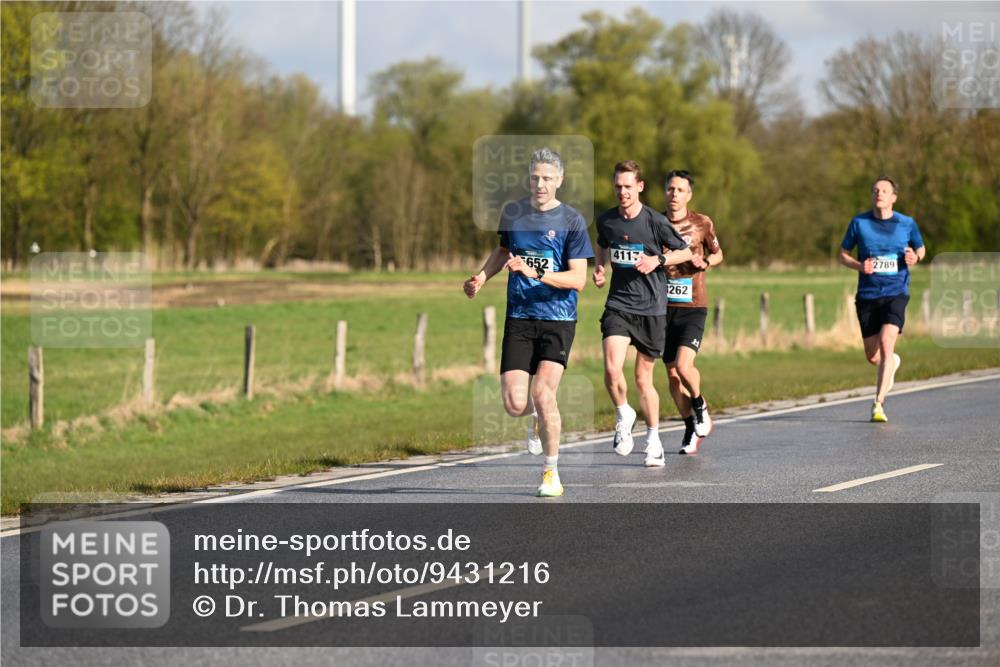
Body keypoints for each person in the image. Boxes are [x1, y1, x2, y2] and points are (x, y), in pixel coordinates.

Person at [464, 147, 594, 496]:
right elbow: (503, 252)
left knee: (543, 392)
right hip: (519, 317)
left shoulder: (572, 221)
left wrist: (535, 272)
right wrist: (480, 277)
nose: (540, 183)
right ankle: (537, 419)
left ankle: (551, 473)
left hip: (558, 319)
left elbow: (578, 280)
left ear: (560, 181)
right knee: (515, 403)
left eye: (547, 178)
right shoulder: (514, 213)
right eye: (535, 177)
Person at [593, 161, 691, 467]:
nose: (622, 192)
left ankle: (653, 439)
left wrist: (658, 259)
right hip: (619, 305)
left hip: (651, 308)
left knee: (642, 378)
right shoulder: (606, 220)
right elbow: (601, 244)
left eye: (627, 186)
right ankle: (624, 413)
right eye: (617, 186)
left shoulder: (655, 221)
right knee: (611, 369)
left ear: (640, 186)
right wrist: (599, 267)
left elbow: (686, 251)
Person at [838, 176, 925, 422]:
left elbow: (920, 249)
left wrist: (914, 258)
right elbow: (843, 254)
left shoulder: (906, 223)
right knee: (873, 356)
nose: (879, 193)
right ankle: (891, 363)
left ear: (893, 198)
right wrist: (859, 265)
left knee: (888, 342)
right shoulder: (859, 223)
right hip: (868, 294)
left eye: (884, 191)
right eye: (876, 190)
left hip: (896, 291)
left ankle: (879, 403)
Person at [660, 170, 724, 455]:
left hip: (693, 306)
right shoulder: (654, 222)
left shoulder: (702, 222)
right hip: (662, 308)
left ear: (689, 195)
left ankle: (699, 404)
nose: (674, 194)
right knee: (673, 378)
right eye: (671, 189)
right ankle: (689, 427)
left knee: (685, 367)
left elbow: (719, 253)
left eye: (680, 190)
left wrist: (706, 262)